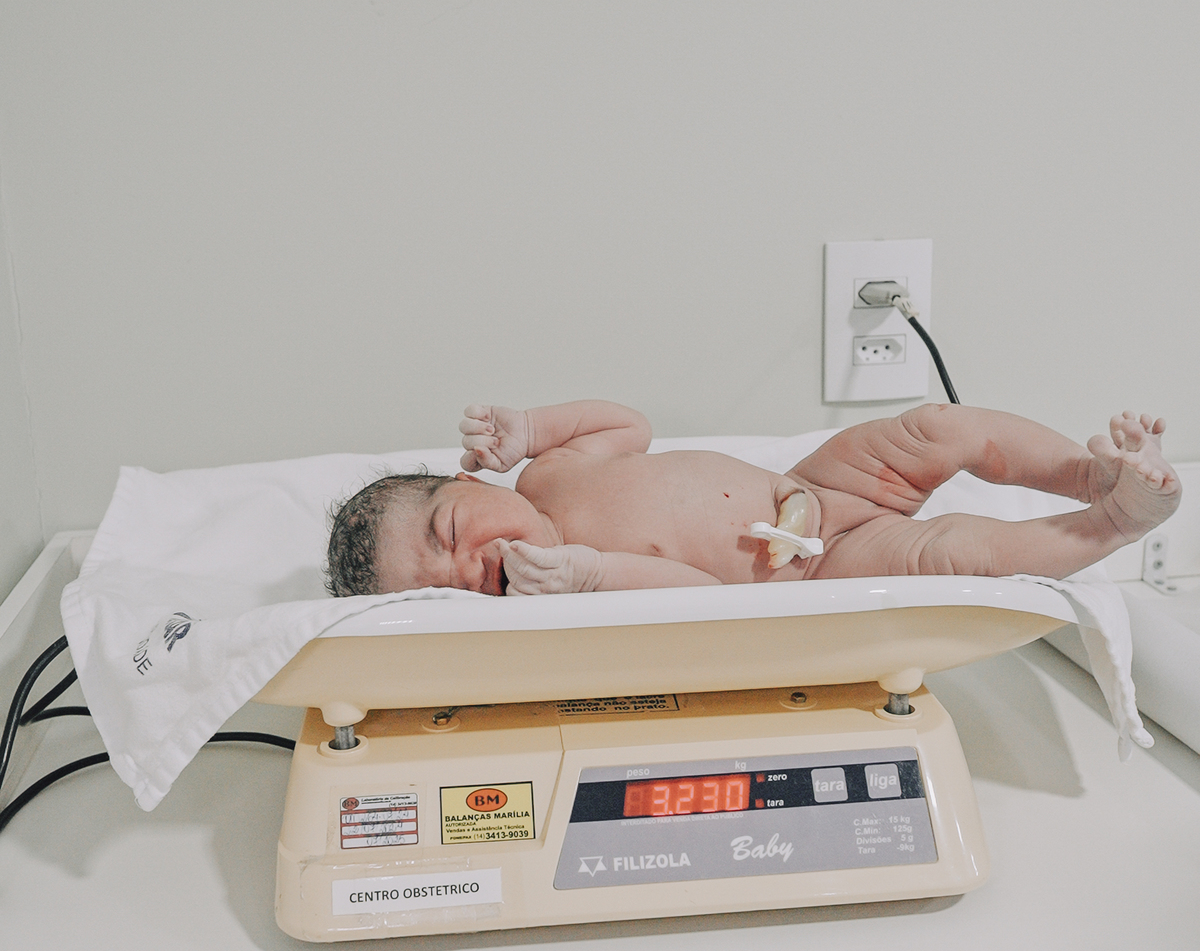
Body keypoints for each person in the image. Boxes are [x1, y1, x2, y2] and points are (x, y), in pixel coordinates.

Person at [325, 399, 1181, 598]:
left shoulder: (547, 474)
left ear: (470, 482)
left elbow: (628, 425)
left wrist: (533, 428)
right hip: (820, 567)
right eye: (446, 591)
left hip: (817, 484)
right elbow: (698, 593)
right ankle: (1115, 520)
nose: (470, 568)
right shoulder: (567, 590)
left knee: (936, 428)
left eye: (450, 531)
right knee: (954, 553)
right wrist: (586, 574)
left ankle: (1089, 474)